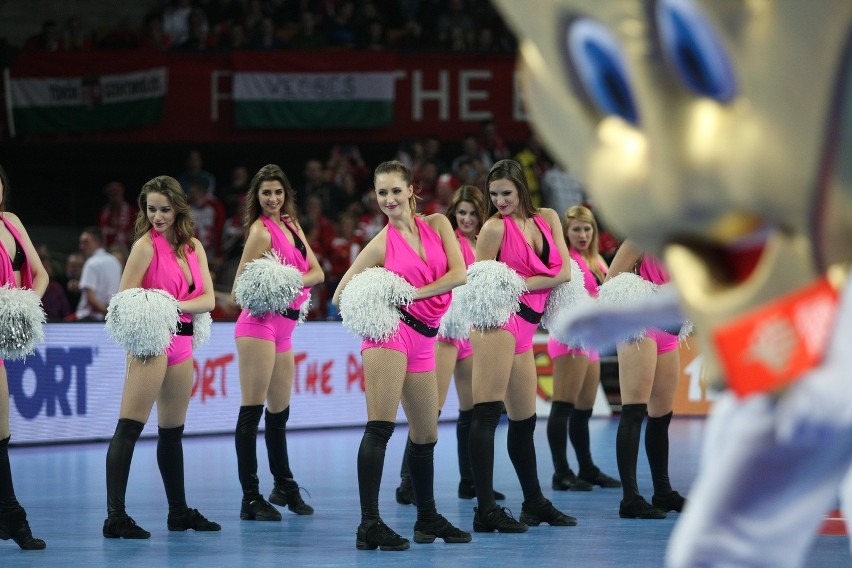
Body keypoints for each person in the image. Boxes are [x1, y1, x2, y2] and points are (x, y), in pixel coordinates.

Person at [332, 160, 470, 551]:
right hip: (391, 333)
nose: (389, 199)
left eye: (396, 190)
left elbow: (459, 274)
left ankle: (426, 519)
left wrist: (408, 293)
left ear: (411, 190)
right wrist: (381, 300)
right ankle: (369, 525)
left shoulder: (440, 225)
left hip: (427, 336)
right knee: (380, 426)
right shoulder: (379, 244)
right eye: (381, 193)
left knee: (426, 433)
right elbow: (342, 294)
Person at [103, 175, 220, 539]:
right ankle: (115, 518)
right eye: (151, 209)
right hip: (151, 342)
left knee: (172, 433)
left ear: (179, 208)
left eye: (164, 209)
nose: (157, 216)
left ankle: (178, 512)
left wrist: (169, 304)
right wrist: (168, 310)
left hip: (183, 342)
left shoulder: (193, 247)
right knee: (130, 427)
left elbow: (209, 301)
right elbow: (123, 300)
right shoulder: (144, 246)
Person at [468, 158, 576, 533]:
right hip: (498, 323)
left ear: (522, 190)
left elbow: (563, 272)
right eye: (494, 194)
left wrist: (516, 283)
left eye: (506, 193)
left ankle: (533, 502)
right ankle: (484, 511)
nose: (499, 200)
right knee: (486, 414)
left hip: (527, 326)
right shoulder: (493, 229)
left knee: (524, 420)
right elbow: (479, 287)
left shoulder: (547, 217)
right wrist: (528, 284)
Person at [395, 184, 507, 504]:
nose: (467, 218)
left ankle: (469, 481)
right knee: (429, 409)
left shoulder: (485, 242)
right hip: (446, 331)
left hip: (473, 332)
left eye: (473, 213)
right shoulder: (444, 241)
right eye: (461, 212)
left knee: (471, 411)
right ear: (453, 214)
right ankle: (407, 482)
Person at [232, 164, 324, 521]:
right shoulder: (259, 232)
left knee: (279, 414)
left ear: (287, 195)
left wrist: (287, 279)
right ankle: (250, 498)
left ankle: (283, 485)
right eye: (266, 193)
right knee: (252, 413)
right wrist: (284, 285)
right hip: (258, 325)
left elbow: (318, 272)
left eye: (278, 192)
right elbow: (241, 285)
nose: (273, 199)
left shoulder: (292, 224)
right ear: (256, 197)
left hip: (286, 327)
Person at [605, 239, 685, 519]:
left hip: (670, 327)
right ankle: (630, 498)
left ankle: (662, 491)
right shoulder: (639, 237)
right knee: (634, 410)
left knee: (662, 415)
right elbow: (611, 284)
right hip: (640, 325)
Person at [547, 206, 620, 491]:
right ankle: (561, 472)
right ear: (566, 232)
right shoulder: (568, 259)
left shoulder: (597, 259)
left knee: (584, 409)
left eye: (587, 229)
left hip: (590, 343)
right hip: (569, 340)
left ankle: (587, 468)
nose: (582, 234)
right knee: (563, 406)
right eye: (576, 229)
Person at [0, 164, 48, 550]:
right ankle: (14, 519)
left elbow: (39, 273)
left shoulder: (12, 221)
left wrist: (25, 305)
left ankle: (10, 518)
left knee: (2, 434)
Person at [75, 226, 122, 322]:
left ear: (98, 242)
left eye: (86, 242)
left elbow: (90, 298)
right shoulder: (115, 262)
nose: (81, 246)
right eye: (81, 242)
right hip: (110, 319)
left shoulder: (91, 263)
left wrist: (107, 313)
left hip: (89, 320)